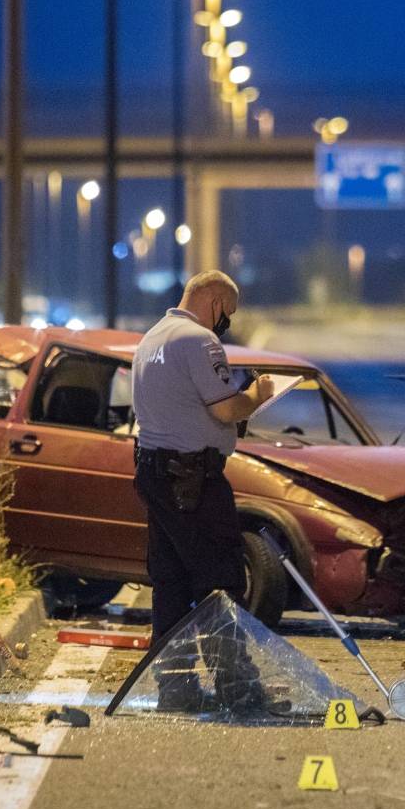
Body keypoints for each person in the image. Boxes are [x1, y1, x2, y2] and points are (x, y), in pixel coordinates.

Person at [131, 269, 275, 711]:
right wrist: (259, 393)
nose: (224, 323)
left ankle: (175, 689)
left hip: (156, 473)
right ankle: (237, 689)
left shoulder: (152, 338)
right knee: (220, 581)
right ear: (213, 299)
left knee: (171, 583)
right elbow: (227, 406)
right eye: (226, 314)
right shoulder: (199, 341)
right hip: (193, 480)